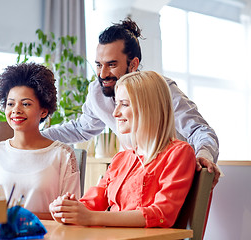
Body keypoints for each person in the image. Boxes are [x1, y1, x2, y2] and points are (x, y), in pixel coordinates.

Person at [41, 17, 220, 188]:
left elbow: (201, 130)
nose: (102, 74)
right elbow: (80, 129)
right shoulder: (97, 92)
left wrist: (204, 156)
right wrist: (34, 135)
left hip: (172, 176)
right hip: (136, 177)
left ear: (133, 64)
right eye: (98, 64)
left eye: (111, 65)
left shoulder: (161, 89)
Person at [49, 71, 196, 227]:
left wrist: (91, 217)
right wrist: (68, 209)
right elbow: (95, 200)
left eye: (124, 104)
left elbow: (162, 214)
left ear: (149, 108)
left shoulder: (178, 153)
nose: (115, 113)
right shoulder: (122, 158)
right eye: (116, 103)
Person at [0, 63, 80, 216]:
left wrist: (15, 216)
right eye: (10, 104)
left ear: (43, 111)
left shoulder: (63, 155)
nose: (16, 110)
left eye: (26, 103)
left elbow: (70, 213)